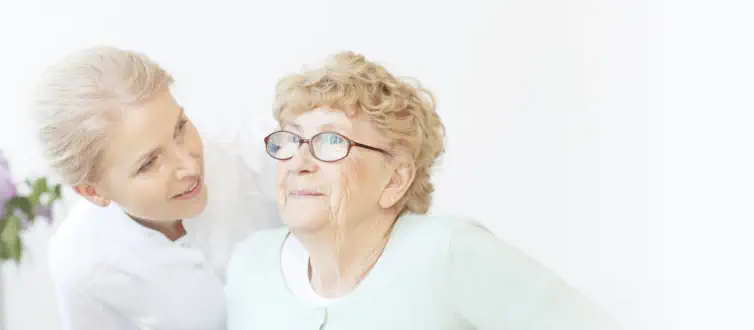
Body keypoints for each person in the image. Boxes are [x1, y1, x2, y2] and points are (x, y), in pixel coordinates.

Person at [223, 51, 616, 330]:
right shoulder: (250, 264)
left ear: (395, 180)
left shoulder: (450, 254)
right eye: (290, 140)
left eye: (330, 142)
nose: (299, 162)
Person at [30, 46, 278, 330]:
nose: (190, 167)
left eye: (180, 128)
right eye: (148, 163)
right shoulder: (84, 264)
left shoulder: (259, 154)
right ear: (91, 191)